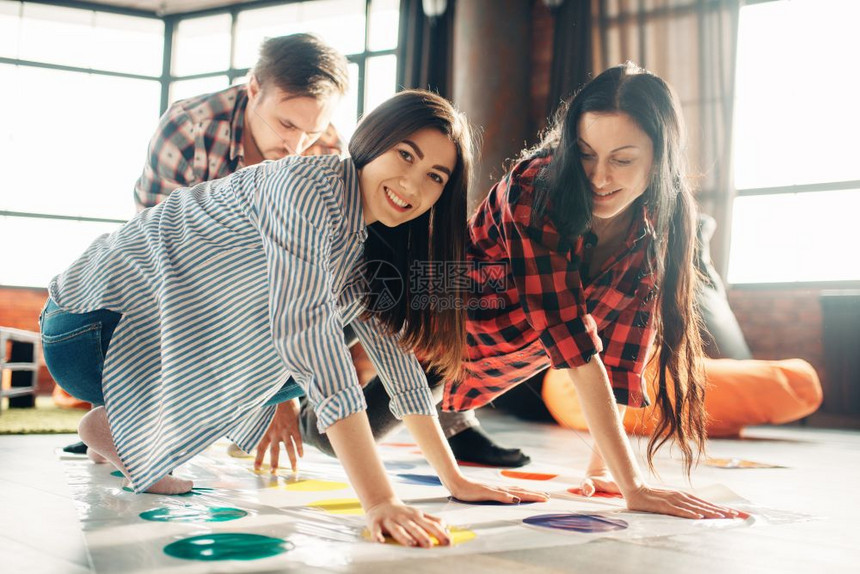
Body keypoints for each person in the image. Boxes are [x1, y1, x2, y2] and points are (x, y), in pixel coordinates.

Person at [40, 90, 548, 547]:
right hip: (89, 327)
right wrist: (378, 501)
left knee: (297, 364)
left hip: (120, 345)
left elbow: (399, 366)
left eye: (435, 177)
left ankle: (119, 428)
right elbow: (308, 337)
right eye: (405, 156)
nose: (411, 184)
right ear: (372, 143)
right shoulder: (311, 190)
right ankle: (131, 426)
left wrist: (453, 480)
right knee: (301, 350)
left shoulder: (371, 242)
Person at [317, 63, 738, 520]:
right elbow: (570, 336)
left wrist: (605, 472)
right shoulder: (534, 185)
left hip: (510, 344)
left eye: (622, 160)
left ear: (659, 157)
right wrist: (632, 483)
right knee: (330, 433)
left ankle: (451, 414)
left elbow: (622, 354)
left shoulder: (663, 222)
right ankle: (308, 375)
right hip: (450, 302)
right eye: (585, 154)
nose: (599, 178)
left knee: (434, 372)